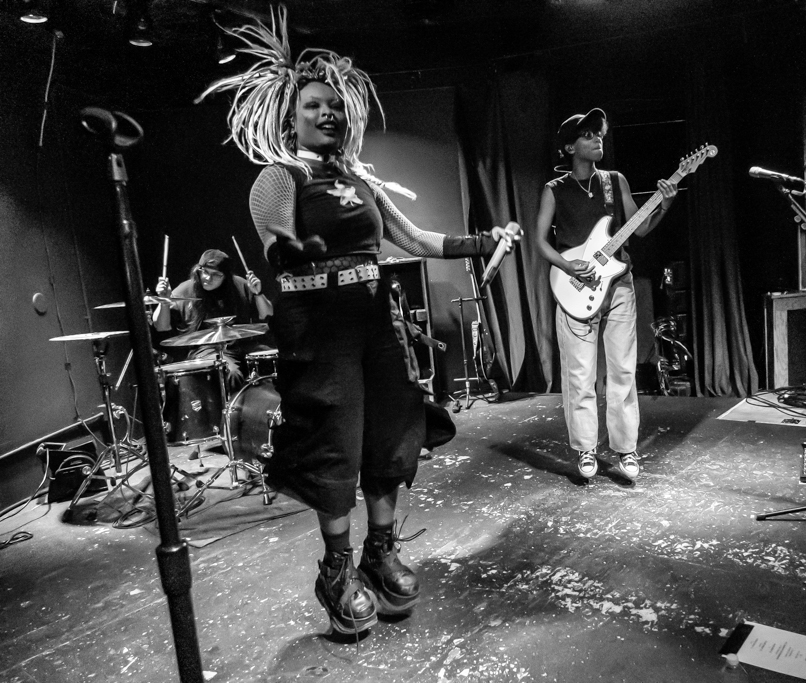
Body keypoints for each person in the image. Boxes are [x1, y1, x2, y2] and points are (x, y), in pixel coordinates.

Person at [197, 8, 517, 638]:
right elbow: (275, 242)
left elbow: (416, 238)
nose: (327, 114)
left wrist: (483, 241)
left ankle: (380, 550)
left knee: (389, 438)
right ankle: (337, 568)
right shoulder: (279, 178)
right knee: (336, 447)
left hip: (375, 324)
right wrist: (296, 250)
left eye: (335, 106)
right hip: (319, 331)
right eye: (313, 106)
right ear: (290, 117)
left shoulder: (361, 180)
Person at [533, 108, 678, 483]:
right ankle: (586, 448)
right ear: (570, 147)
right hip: (576, 287)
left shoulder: (615, 181)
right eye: (587, 135)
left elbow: (639, 228)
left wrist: (664, 203)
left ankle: (626, 449)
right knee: (580, 374)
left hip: (618, 286)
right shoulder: (555, 190)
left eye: (598, 133)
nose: (597, 138)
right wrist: (568, 267)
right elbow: (540, 242)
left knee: (623, 371)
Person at [152, 249, 273, 384]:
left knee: (272, 358)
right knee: (231, 372)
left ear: (226, 276)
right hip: (206, 349)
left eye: (216, 274)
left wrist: (258, 293)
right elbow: (161, 326)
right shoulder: (185, 290)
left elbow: (267, 314)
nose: (208, 278)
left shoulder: (239, 285)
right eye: (204, 272)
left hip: (242, 344)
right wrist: (164, 301)